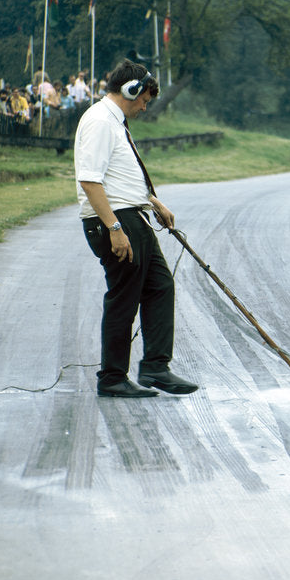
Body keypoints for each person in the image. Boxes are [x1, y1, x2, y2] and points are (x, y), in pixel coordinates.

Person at [74, 59, 198, 398]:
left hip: (132, 215)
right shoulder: (100, 121)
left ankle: (156, 366)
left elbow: (120, 175)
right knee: (123, 298)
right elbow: (89, 179)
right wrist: (114, 227)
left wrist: (153, 201)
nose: (144, 106)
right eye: (144, 99)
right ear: (131, 90)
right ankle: (112, 378)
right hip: (117, 219)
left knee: (159, 285)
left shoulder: (115, 123)